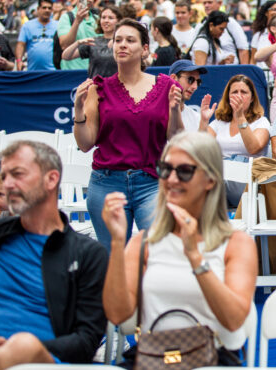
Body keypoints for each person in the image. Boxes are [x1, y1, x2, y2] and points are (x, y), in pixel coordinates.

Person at [101, 131, 257, 367]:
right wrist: (116, 241)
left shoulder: (236, 243)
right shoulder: (143, 243)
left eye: (184, 171)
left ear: (210, 180)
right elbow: (117, 315)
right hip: (153, 358)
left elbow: (233, 320)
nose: (171, 179)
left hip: (212, 359)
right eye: (165, 169)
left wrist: (195, 257)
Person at [73, 19, 183, 250]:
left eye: (130, 40)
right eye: (117, 40)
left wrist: (174, 111)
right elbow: (85, 143)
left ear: (145, 49)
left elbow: (176, 137)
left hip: (151, 182)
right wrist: (79, 111)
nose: (122, 45)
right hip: (106, 183)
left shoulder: (165, 86)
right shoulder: (98, 88)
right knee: (114, 259)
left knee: (157, 252)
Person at [0, 140, 108, 365]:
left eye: (17, 174)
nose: (7, 184)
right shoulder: (1, 238)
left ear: (51, 179)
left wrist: (28, 348)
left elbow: (86, 343)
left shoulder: (86, 253)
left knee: (23, 345)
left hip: (44, 360)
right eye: (4, 176)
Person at [206, 75, 270, 206]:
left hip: (247, 180)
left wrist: (240, 117)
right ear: (228, 98)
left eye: (244, 92)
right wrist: (203, 122)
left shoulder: (261, 122)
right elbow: (201, 149)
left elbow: (253, 148)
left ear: (252, 98)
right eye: (234, 92)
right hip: (219, 177)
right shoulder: (218, 123)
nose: (239, 96)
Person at [62, 5, 122, 78]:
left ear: (119, 21)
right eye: (103, 17)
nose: (106, 21)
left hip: (117, 86)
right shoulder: (93, 41)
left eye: (110, 18)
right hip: (97, 87)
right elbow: (66, 56)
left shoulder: (123, 42)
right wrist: (77, 43)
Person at [199, 0, 249, 65]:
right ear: (210, 25)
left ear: (219, 3)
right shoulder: (200, 25)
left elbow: (243, 49)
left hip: (232, 72)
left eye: (210, 2)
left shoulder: (231, 23)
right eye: (204, 3)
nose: (206, 5)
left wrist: (243, 73)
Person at [57, 0, 98, 70]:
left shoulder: (97, 18)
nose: (90, 0)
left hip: (93, 72)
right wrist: (77, 21)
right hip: (72, 72)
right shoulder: (67, 17)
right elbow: (65, 45)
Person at [168, 59, 211, 132]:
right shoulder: (154, 114)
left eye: (198, 82)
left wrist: (203, 124)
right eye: (190, 79)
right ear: (173, 78)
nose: (195, 87)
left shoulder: (197, 117)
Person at [15, 0, 58, 71]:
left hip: (54, 71)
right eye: (44, 8)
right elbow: (20, 45)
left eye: (49, 8)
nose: (47, 10)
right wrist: (19, 61)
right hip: (33, 71)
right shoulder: (27, 26)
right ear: (38, 9)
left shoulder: (58, 25)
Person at [250, 0, 276, 67]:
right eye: (273, 9)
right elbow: (253, 60)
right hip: (261, 75)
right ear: (266, 12)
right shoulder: (258, 36)